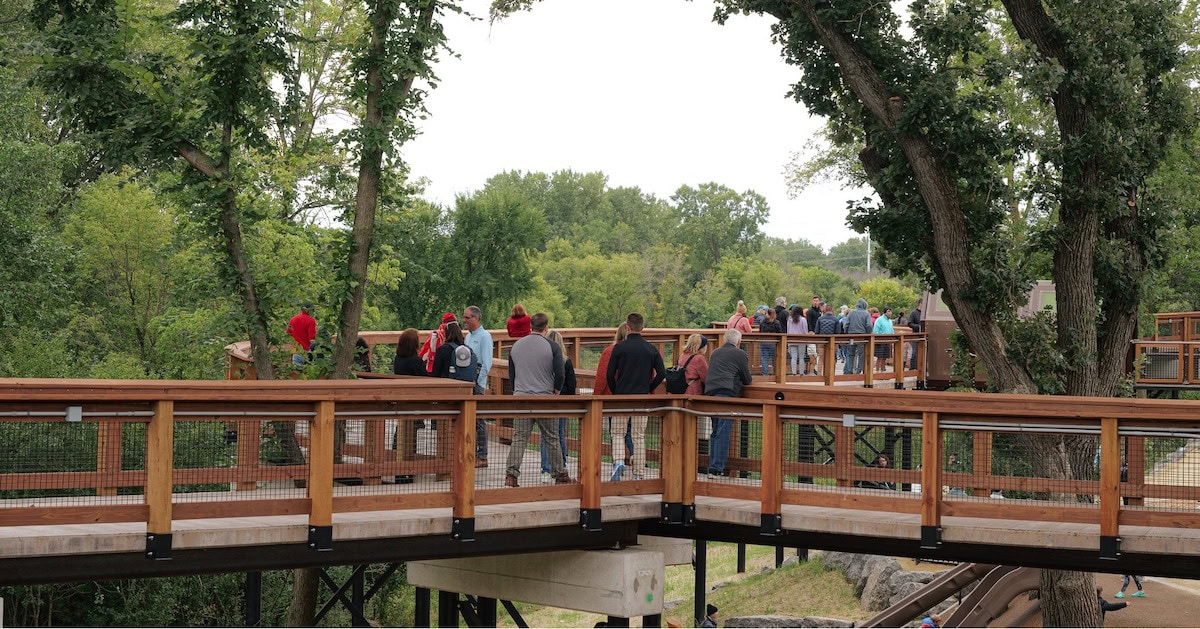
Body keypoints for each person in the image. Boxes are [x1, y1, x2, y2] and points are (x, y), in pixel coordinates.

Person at [505, 313, 573, 487]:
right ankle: (559, 474)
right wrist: (556, 390)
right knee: (551, 437)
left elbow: (511, 374)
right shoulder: (552, 347)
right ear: (546, 327)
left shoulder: (516, 346)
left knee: (519, 437)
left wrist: (517, 390)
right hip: (545, 398)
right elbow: (560, 372)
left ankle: (511, 475)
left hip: (521, 397)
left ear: (530, 326)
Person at [607, 313, 666, 481]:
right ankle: (639, 472)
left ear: (627, 327)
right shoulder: (650, 349)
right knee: (638, 435)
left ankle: (619, 461)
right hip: (642, 397)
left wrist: (615, 390)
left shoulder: (619, 348)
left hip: (621, 397)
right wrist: (649, 388)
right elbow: (662, 373)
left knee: (617, 432)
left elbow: (610, 374)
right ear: (642, 328)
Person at [705, 328, 753, 478]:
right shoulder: (740, 354)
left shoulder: (715, 353)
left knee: (716, 431)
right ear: (738, 342)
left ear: (725, 340)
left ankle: (713, 465)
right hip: (727, 393)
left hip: (711, 393)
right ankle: (716, 468)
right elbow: (747, 379)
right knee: (723, 431)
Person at [540, 330, 575, 482]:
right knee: (559, 434)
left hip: (545, 401)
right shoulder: (566, 361)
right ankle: (562, 466)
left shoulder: (542, 360)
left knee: (545, 436)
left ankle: (546, 470)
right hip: (562, 403)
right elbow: (572, 386)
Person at [464, 305, 494, 468]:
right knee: (468, 417)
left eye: (467, 318)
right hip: (467, 378)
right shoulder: (468, 337)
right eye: (464, 317)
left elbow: (487, 362)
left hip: (477, 380)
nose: (465, 321)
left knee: (479, 419)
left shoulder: (484, 337)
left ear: (476, 318)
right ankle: (470, 452)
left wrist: (479, 381)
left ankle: (482, 456)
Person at [844, 299, 871, 375]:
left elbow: (846, 325)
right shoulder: (866, 314)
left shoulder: (851, 312)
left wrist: (846, 334)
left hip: (851, 336)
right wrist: (868, 334)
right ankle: (858, 371)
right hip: (862, 337)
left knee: (850, 354)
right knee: (861, 355)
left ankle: (849, 371)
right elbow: (869, 325)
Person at [813, 304, 841, 375]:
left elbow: (816, 331)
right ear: (832, 310)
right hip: (832, 342)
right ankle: (831, 374)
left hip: (822, 341)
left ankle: (819, 374)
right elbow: (838, 332)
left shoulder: (820, 319)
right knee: (832, 359)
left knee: (821, 358)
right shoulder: (836, 319)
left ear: (825, 310)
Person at [758, 307, 783, 376]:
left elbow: (760, 331)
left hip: (764, 342)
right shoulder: (776, 322)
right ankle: (776, 374)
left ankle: (765, 374)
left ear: (767, 314)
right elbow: (780, 333)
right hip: (774, 343)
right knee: (775, 358)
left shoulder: (763, 322)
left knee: (764, 358)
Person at [786, 305, 809, 376]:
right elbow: (805, 331)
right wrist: (807, 340)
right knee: (801, 357)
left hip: (792, 340)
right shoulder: (803, 319)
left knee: (794, 357)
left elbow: (788, 330)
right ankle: (801, 373)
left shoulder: (789, 319)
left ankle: (794, 373)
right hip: (801, 340)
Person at [873, 307, 895, 373]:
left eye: (890, 311)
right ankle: (877, 371)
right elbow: (875, 330)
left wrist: (893, 339)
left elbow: (892, 330)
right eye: (888, 311)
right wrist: (877, 339)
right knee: (879, 357)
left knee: (885, 357)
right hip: (880, 340)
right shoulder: (879, 320)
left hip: (888, 341)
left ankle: (882, 371)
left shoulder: (890, 321)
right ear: (885, 312)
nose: (890, 313)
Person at [907, 298, 923, 370]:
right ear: (920, 304)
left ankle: (921, 368)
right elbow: (909, 323)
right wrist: (918, 326)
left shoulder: (925, 314)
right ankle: (912, 368)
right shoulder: (914, 313)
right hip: (916, 336)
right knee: (914, 352)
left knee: (923, 353)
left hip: (924, 336)